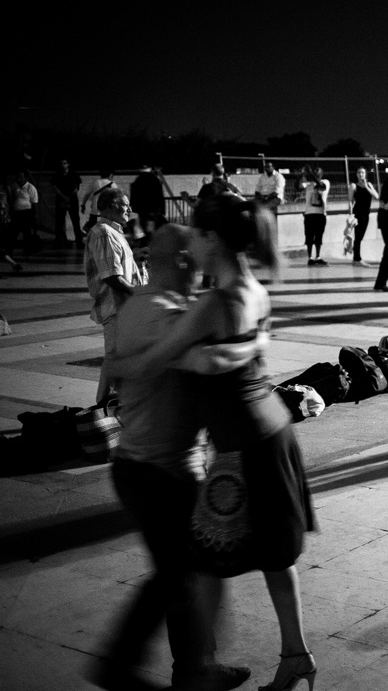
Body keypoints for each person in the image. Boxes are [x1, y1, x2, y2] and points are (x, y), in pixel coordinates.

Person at [108, 196, 318, 691]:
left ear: (212, 240)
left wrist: (116, 365)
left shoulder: (212, 304)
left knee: (201, 563)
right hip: (273, 432)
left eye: (197, 237)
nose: (192, 250)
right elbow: (244, 348)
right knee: (275, 557)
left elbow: (164, 360)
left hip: (244, 445)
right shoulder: (255, 291)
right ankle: (296, 655)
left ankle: (196, 674)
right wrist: (251, 344)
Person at [93, 224, 252, 691]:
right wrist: (257, 337)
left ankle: (194, 670)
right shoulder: (165, 313)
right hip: (158, 472)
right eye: (196, 257)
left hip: (151, 468)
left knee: (188, 571)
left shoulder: (142, 304)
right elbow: (211, 361)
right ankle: (121, 665)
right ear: (184, 261)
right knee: (180, 572)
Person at [85, 187, 146, 404]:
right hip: (117, 308)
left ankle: (108, 411)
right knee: (114, 363)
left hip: (125, 309)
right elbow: (111, 276)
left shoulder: (113, 232)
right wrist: (139, 292)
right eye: (125, 204)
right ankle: (102, 413)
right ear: (112, 205)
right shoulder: (103, 232)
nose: (129, 209)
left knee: (118, 363)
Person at [51, 159, 84, 246]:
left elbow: (77, 187)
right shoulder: (57, 175)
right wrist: (63, 196)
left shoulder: (73, 174)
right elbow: (55, 187)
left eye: (65, 163)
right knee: (59, 222)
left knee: (75, 221)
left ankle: (79, 241)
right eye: (62, 163)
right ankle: (58, 242)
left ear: (68, 164)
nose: (63, 165)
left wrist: (69, 197)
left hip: (72, 200)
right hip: (61, 200)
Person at [300, 166, 329, 266]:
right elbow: (297, 187)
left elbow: (321, 186)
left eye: (317, 170)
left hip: (321, 213)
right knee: (309, 237)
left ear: (322, 173)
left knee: (319, 236)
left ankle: (318, 256)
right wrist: (302, 174)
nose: (315, 172)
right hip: (309, 214)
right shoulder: (308, 184)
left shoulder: (325, 182)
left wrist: (310, 172)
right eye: (314, 170)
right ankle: (310, 257)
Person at [350, 167, 379, 266]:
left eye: (362, 172)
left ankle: (356, 258)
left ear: (365, 174)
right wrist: (351, 215)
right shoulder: (353, 186)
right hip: (357, 214)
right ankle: (357, 259)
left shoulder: (369, 185)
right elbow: (350, 201)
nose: (360, 174)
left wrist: (366, 186)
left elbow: (376, 196)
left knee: (360, 237)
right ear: (356, 174)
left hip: (366, 214)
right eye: (358, 172)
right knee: (358, 237)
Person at [10, 170, 40, 254]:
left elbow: (34, 203)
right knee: (13, 233)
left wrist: (35, 216)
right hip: (16, 212)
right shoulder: (14, 186)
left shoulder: (30, 187)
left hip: (26, 212)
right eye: (17, 177)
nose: (19, 179)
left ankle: (27, 252)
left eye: (21, 177)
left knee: (26, 233)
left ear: (25, 178)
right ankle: (10, 252)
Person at [82, 168, 118, 233]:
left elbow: (86, 195)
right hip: (106, 212)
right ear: (110, 175)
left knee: (94, 231)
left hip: (95, 211)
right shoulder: (113, 185)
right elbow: (117, 198)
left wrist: (83, 205)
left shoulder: (95, 182)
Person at [0, 177, 24, 272]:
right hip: (5, 219)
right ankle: (13, 263)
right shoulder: (6, 190)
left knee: (4, 246)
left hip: (4, 220)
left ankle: (13, 263)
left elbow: (10, 203)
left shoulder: (6, 190)